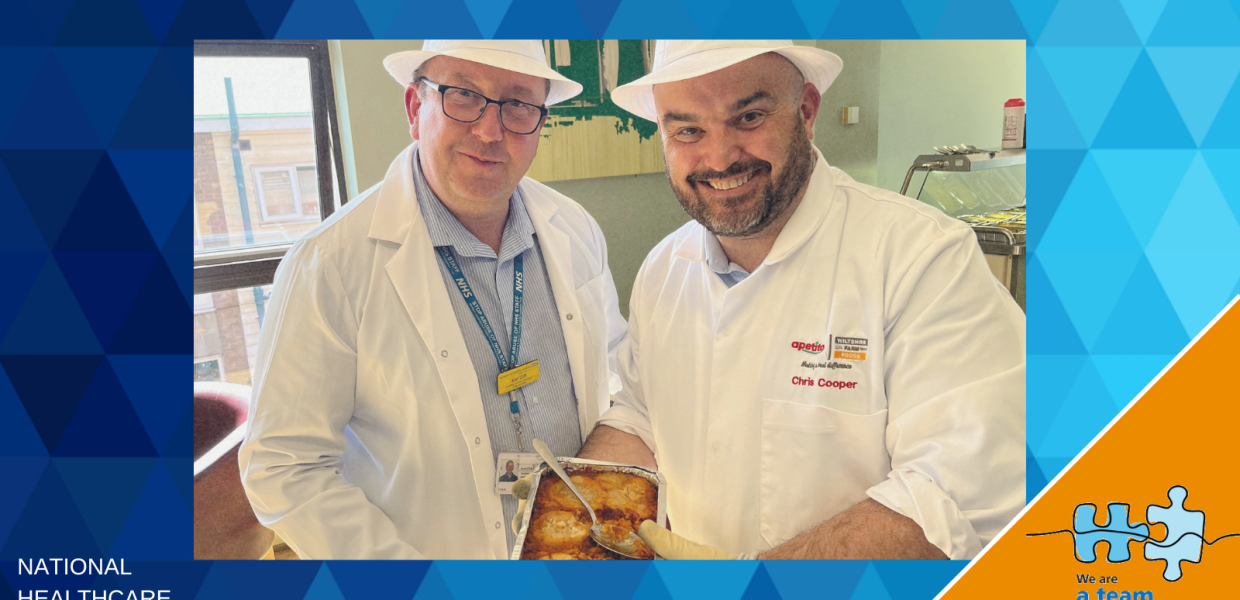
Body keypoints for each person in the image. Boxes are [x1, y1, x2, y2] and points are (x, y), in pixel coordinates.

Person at [579, 40, 1025, 560]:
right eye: (688, 130)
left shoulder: (921, 259)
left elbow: (965, 492)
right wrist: (568, 511)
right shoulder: (663, 270)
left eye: (748, 116)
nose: (719, 158)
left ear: (807, 112)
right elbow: (639, 415)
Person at [239, 40, 627, 560]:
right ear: (415, 108)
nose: (490, 131)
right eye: (463, 95)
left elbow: (613, 371)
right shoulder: (330, 264)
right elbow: (284, 467)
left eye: (518, 104)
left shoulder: (574, 229)